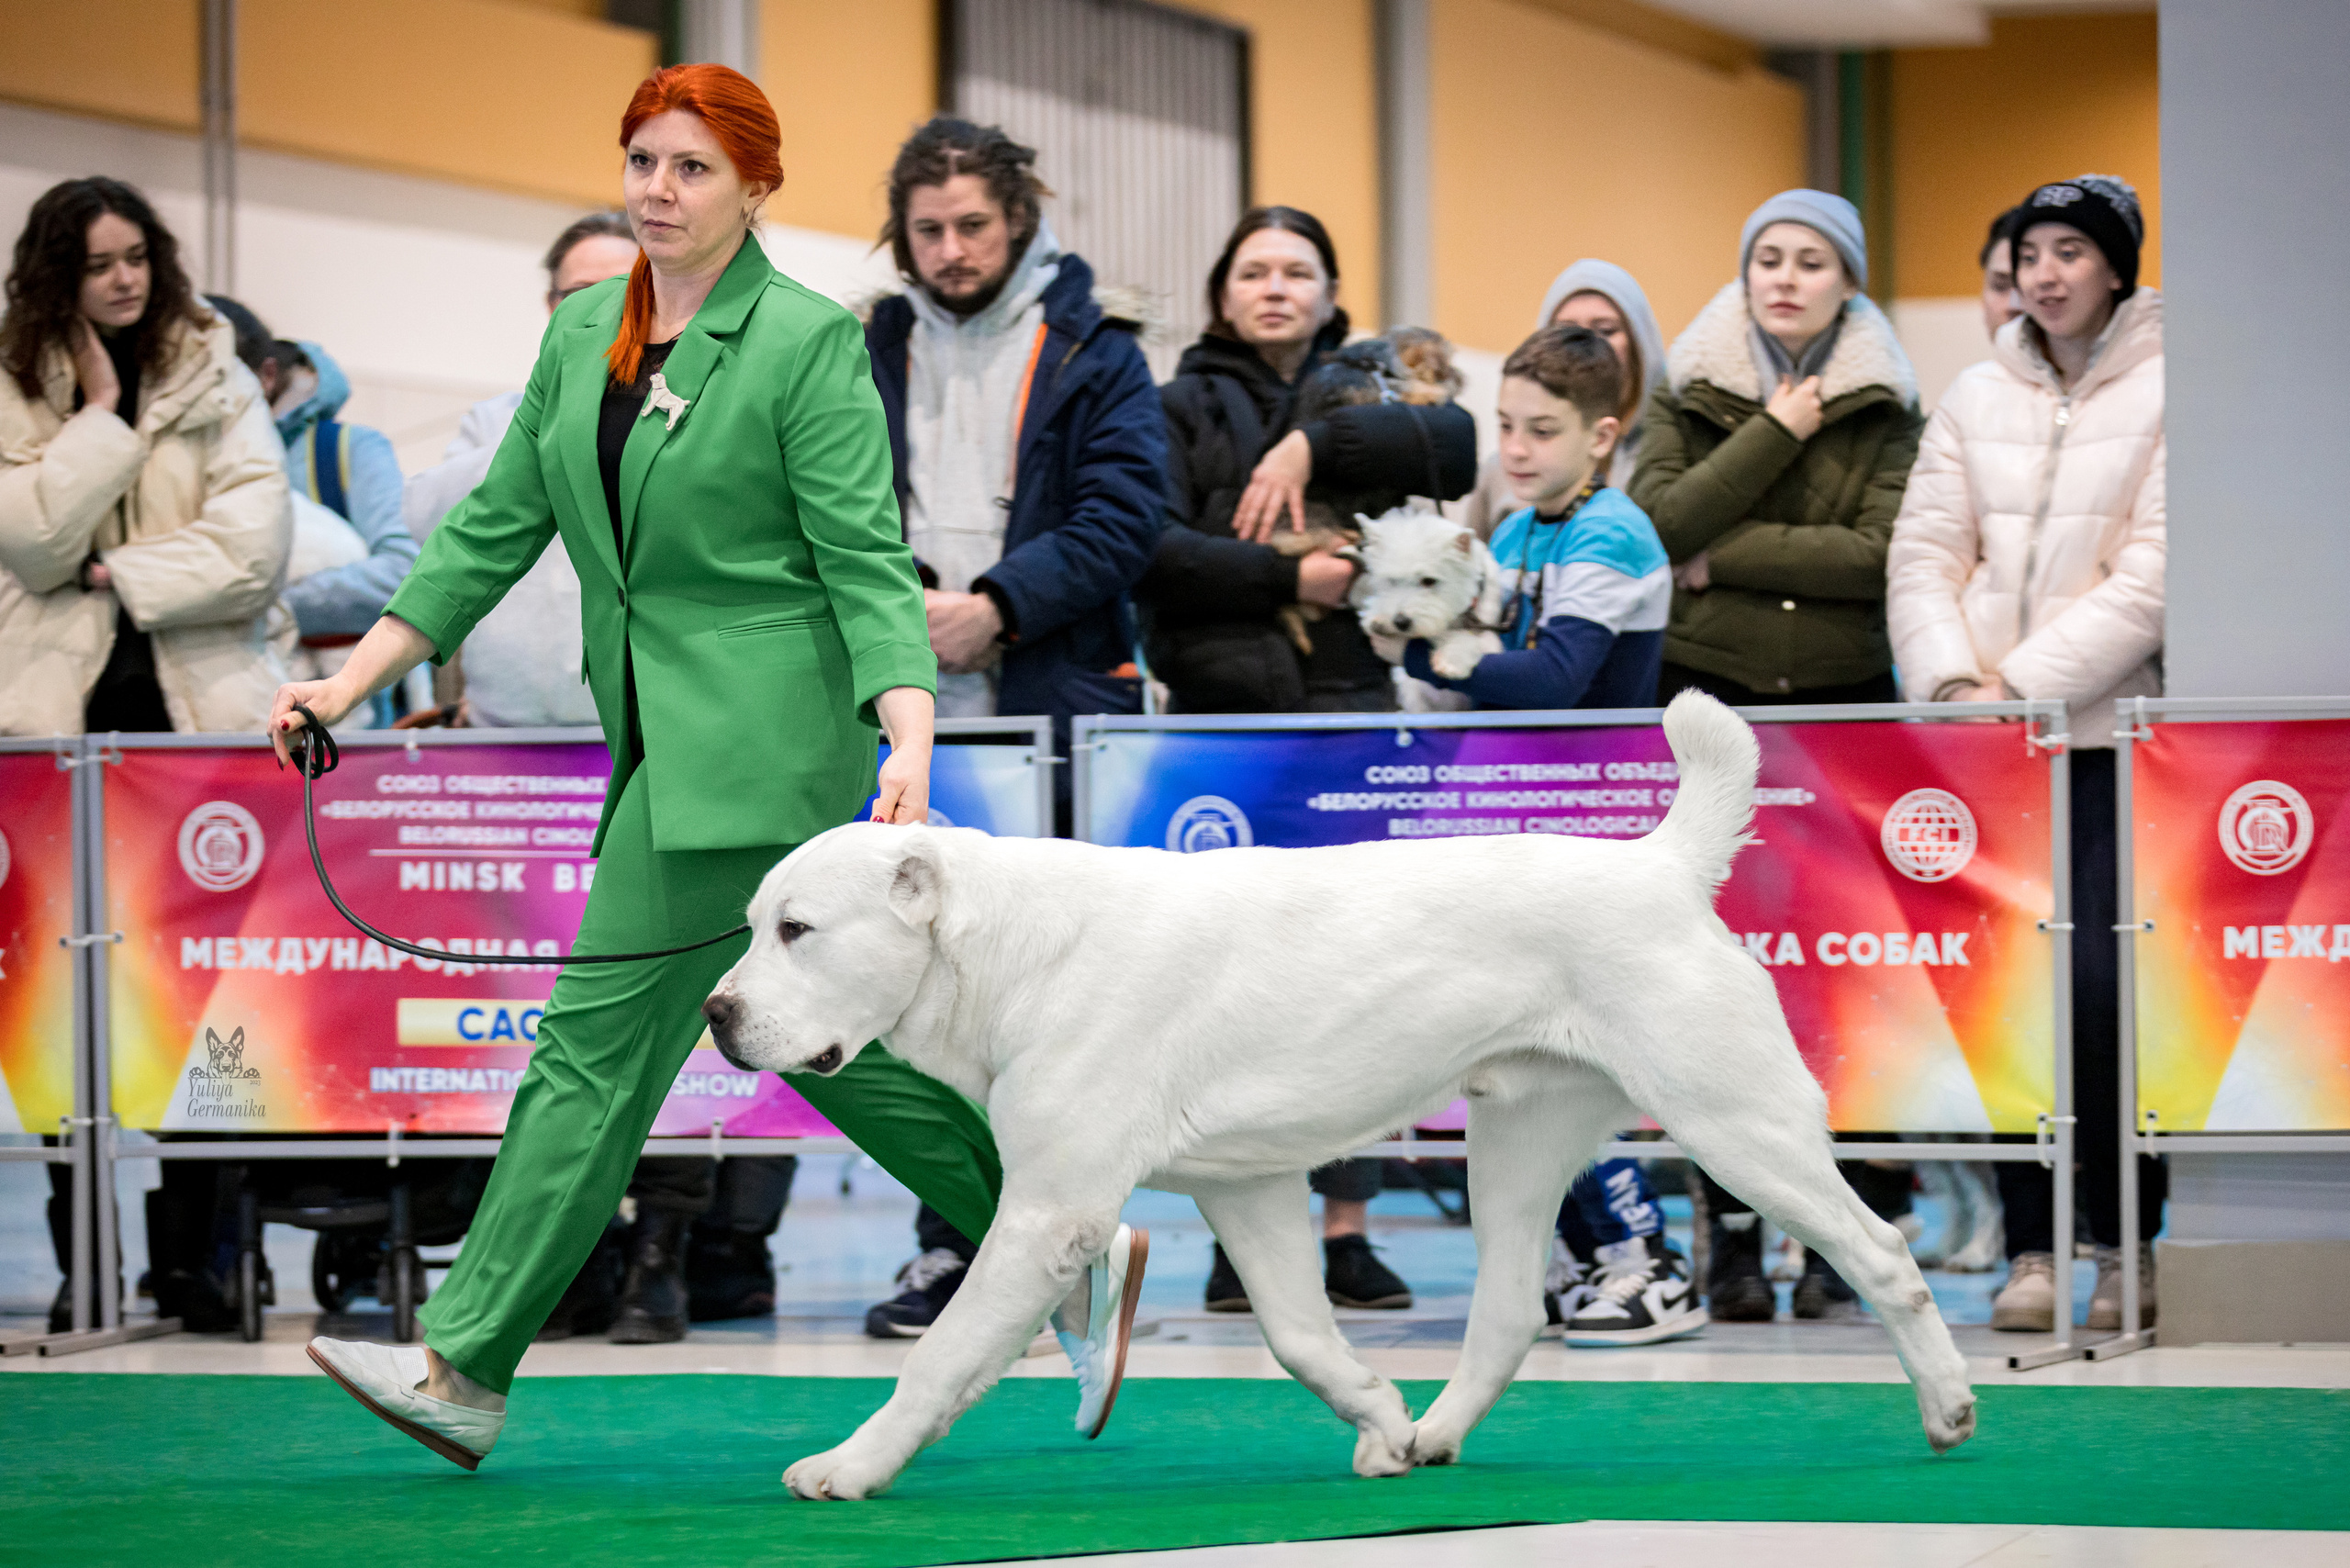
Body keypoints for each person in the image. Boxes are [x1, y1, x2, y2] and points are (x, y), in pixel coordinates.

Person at [296, 64, 1145, 1469]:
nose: (658, 191)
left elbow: (864, 557)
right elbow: (492, 528)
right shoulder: (583, 334)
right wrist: (349, 679)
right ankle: (1071, 1238)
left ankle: (463, 1364)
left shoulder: (806, 343)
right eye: (642, 161)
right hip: (657, 744)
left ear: (757, 187)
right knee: (815, 1046)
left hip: (761, 745)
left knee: (589, 1053)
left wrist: (910, 732)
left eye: (692, 168)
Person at [853, 117, 1164, 1338]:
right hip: (901, 705)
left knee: (1055, 1016)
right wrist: (902, 618)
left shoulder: (1098, 351)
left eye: (973, 224)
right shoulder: (862, 345)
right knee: (926, 1000)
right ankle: (954, 1249)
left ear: (1018, 219)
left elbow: (1128, 512)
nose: (951, 249)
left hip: (1053, 699)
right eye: (927, 230)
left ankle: (1069, 1253)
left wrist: (999, 607)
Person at [1137, 206, 1476, 1314]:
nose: (1275, 287)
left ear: (1331, 290)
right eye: (1253, 270)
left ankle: (1345, 1228)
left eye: (1298, 270)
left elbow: (1456, 450)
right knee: (1229, 994)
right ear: (1220, 290)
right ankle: (1241, 1237)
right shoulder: (1177, 402)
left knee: (1356, 989)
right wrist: (1291, 581)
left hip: (1348, 712)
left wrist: (1306, 444)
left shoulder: (1368, 392)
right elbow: (1154, 552)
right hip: (1221, 725)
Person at [0, 177, 293, 1332]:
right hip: (52, 743)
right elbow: (23, 536)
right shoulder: (20, 380)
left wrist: (119, 572)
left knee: (209, 1003)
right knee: (61, 1012)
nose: (121, 279)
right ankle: (89, 1267)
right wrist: (108, 414)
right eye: (95, 265)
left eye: (135, 257)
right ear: (55, 281)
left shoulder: (217, 370)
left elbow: (254, 550)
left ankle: (203, 1264)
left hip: (194, 733)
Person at [1631, 189, 1925, 1321]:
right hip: (1711, 709)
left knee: (1850, 977)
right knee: (1707, 989)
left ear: (1848, 281)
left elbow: (1874, 555)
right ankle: (1734, 1238)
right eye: (1768, 258)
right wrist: (1776, 432)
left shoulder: (1891, 408)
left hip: (1848, 710)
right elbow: (1657, 527)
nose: (1787, 277)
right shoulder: (1688, 390)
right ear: (1744, 274)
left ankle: (1850, 1232)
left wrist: (1725, 555)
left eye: (1812, 261)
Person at [1886, 174, 2166, 1334]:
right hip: (1987, 755)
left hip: (2106, 742)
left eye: (2069, 250)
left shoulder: (2172, 385)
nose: (2044, 273)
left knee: (2111, 997)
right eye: (2028, 252)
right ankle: (2030, 1245)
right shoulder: (1971, 390)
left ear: (2114, 265)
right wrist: (1960, 687)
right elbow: (1922, 554)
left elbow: (2155, 571)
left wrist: (2030, 687)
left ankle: (2123, 1244)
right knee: (2006, 1006)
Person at [1401, 322, 1700, 1346]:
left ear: (1603, 435)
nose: (1516, 449)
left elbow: (1548, 682)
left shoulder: (1610, 532)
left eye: (1541, 430)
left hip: (1593, 832)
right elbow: (1467, 672)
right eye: (1504, 427)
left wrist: (1447, 660)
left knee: (1580, 1066)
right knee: (1513, 1066)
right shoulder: (1523, 532)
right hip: (1520, 834)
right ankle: (1579, 1262)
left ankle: (1645, 1259)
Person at [401, 210, 638, 727]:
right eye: (578, 292)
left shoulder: (678, 412)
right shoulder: (496, 420)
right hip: (501, 725)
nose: (600, 308)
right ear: (551, 305)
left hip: (630, 731)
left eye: (621, 289)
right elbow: (429, 523)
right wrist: (552, 419)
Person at [1460, 259, 1667, 539]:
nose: (1587, 346)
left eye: (1605, 330)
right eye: (1567, 332)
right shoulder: (1503, 469)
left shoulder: (1666, 455)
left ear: (1640, 346)